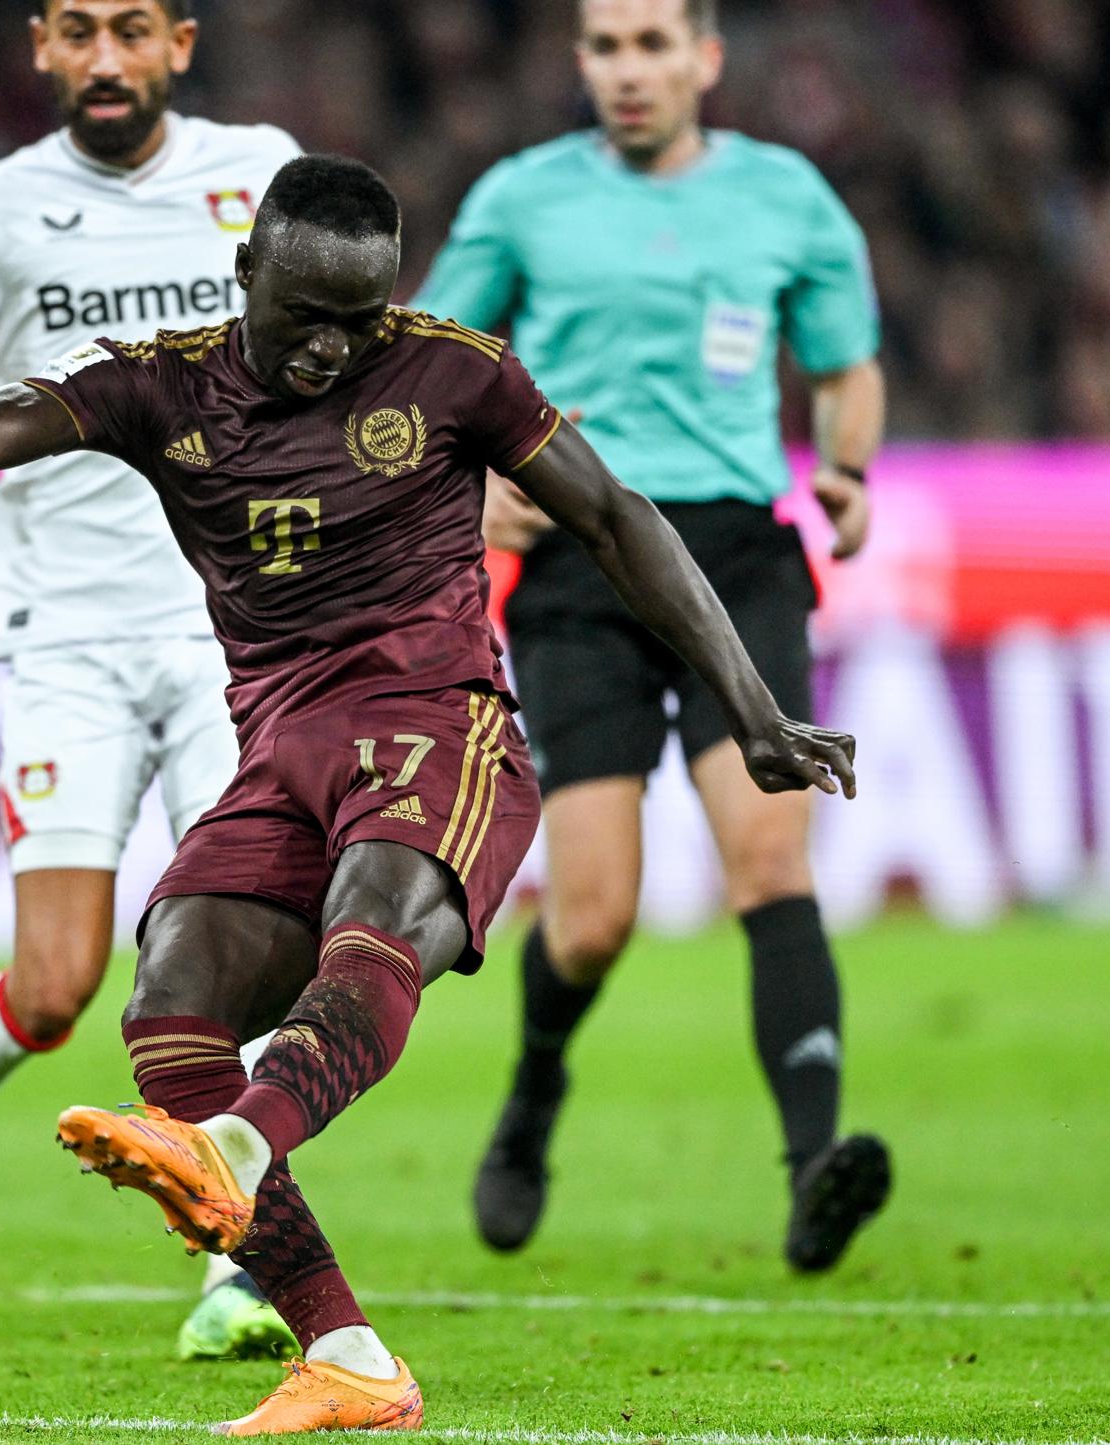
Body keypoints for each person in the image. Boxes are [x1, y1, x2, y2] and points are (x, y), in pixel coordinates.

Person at [0, 153, 856, 1436]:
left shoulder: (455, 370)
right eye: (306, 318)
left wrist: (754, 709)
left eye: (364, 319)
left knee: (375, 911)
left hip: (438, 727)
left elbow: (616, 519)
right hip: (279, 747)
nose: (336, 349)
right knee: (172, 997)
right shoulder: (164, 384)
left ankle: (236, 1150)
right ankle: (345, 1351)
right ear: (246, 276)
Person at [0, 0, 299, 1360]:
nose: (108, 59)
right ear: (41, 45)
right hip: (68, 633)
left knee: (253, 966)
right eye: (81, 32)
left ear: (182, 45)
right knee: (54, 986)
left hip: (238, 632)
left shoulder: (260, 173)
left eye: (135, 30)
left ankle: (243, 1264)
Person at [413, 0, 891, 1269]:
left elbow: (846, 366)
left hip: (737, 555)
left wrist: (844, 465)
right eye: (606, 48)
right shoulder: (522, 198)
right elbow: (424, 366)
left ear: (705, 59)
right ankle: (530, 1104)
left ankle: (812, 1172)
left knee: (770, 863)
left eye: (652, 45)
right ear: (581, 63)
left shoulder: (788, 199)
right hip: (584, 561)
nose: (629, 71)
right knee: (592, 916)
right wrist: (473, 479)